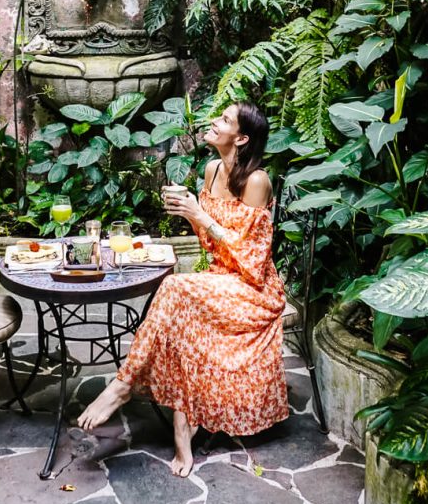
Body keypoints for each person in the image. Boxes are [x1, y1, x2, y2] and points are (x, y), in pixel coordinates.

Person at [77, 101, 289, 476]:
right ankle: (180, 422)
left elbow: (252, 260)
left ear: (240, 138)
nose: (214, 122)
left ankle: (124, 389)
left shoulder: (256, 181)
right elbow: (212, 247)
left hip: (254, 289)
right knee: (180, 307)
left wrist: (198, 214)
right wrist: (188, 214)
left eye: (224, 120)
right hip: (220, 278)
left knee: (175, 289)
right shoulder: (210, 171)